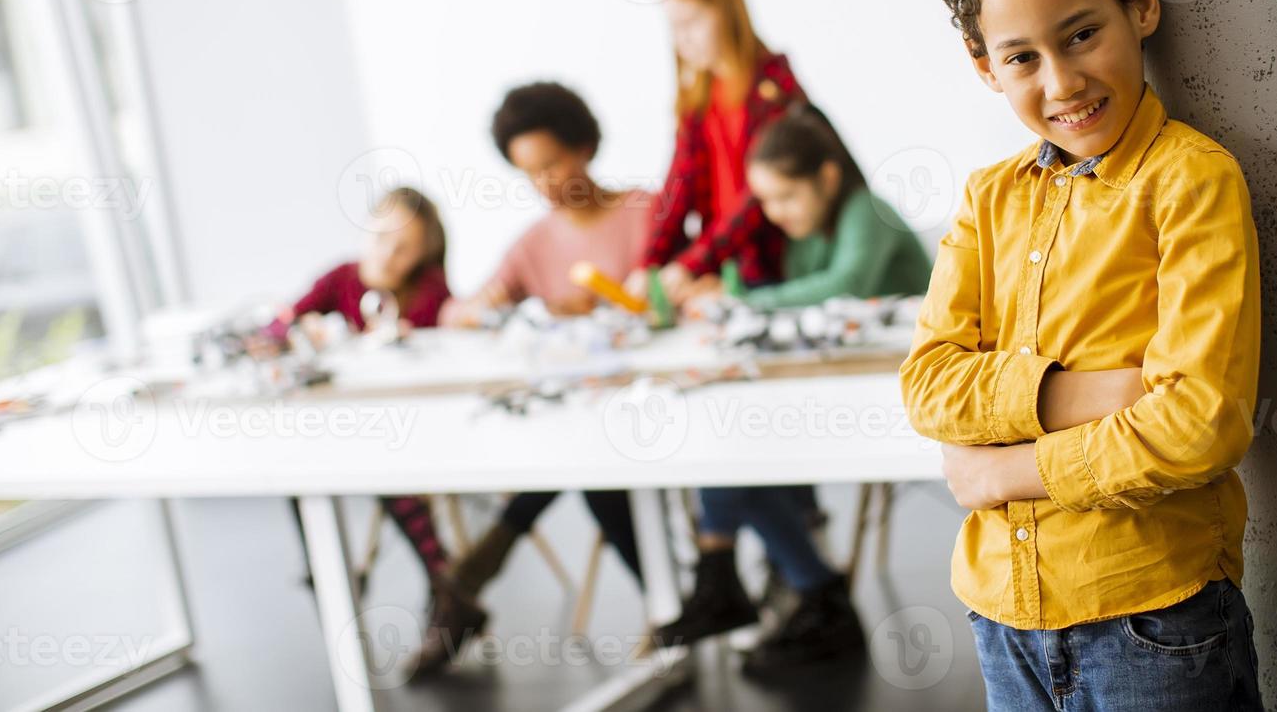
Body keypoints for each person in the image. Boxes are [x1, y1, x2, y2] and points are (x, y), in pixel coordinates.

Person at [900, 0, 1264, 709]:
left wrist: (1005, 473)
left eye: (1081, 35)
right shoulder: (989, 199)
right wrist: (1084, 393)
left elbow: (1199, 424)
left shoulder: (1190, 181)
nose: (1061, 83)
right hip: (999, 618)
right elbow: (926, 385)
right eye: (1022, 57)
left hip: (1153, 624)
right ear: (984, 64)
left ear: (1139, 5)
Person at [660, 105, 932, 676]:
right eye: (766, 202)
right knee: (736, 448)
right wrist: (710, 288)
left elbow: (843, 287)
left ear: (826, 178)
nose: (774, 215)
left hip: (907, 394)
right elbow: (779, 288)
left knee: (740, 450)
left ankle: (745, 578)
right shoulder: (802, 232)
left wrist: (738, 304)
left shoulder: (867, 211)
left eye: (785, 198)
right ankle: (803, 591)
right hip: (839, 388)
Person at [433, 82, 644, 673]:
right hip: (582, 419)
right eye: (529, 173)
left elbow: (658, 299)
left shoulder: (642, 213)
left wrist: (602, 309)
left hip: (645, 407)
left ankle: (477, 567)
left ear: (585, 146)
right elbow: (459, 312)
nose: (545, 184)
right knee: (579, 459)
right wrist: (498, 310)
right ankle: (663, 602)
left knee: (579, 460)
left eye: (552, 163)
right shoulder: (532, 244)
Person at [262, 187, 485, 674]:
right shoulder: (339, 278)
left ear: (424, 253)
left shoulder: (430, 293)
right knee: (296, 469)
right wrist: (298, 332)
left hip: (411, 432)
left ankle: (428, 588)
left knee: (384, 461)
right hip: (339, 432)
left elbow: (451, 345)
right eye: (381, 237)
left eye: (403, 246)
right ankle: (337, 575)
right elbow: (277, 328)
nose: (387, 253)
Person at [628, 0, 806, 307]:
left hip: (774, 266)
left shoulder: (774, 88)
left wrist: (691, 264)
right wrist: (649, 264)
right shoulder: (699, 97)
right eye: (674, 28)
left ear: (726, 12)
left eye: (692, 22)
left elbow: (759, 197)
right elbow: (678, 186)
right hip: (722, 265)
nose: (683, 39)